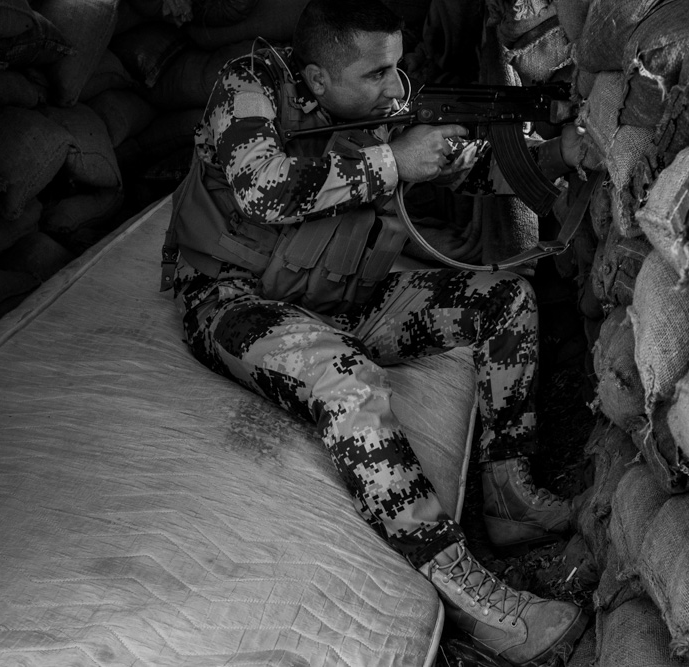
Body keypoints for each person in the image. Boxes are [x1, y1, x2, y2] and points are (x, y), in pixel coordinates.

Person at [162, 0, 587, 663]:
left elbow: (471, 171)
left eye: (396, 67)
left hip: (340, 295)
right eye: (376, 73)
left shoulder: (385, 104)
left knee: (501, 300)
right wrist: (393, 162)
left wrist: (562, 152)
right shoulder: (248, 85)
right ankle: (464, 593)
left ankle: (506, 493)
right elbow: (262, 188)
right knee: (348, 380)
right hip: (233, 298)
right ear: (315, 79)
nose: (395, 89)